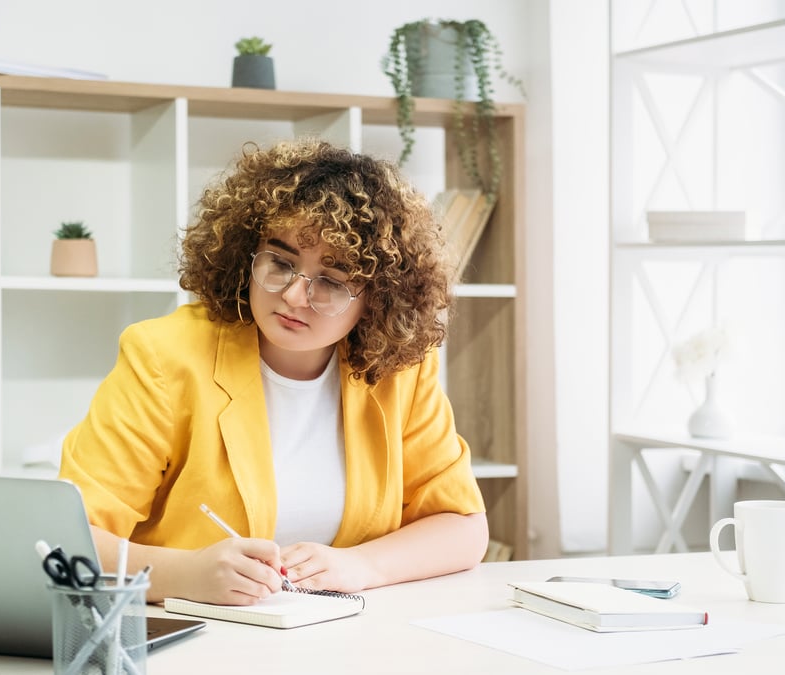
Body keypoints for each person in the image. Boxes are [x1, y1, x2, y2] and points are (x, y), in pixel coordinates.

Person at [58, 138, 487, 606]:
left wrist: (361, 565)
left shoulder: (399, 371)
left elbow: (464, 528)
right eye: (280, 263)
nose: (294, 296)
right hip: (197, 632)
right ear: (246, 253)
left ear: (378, 298)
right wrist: (184, 574)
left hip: (344, 631)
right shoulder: (164, 356)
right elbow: (68, 541)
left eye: (331, 281)